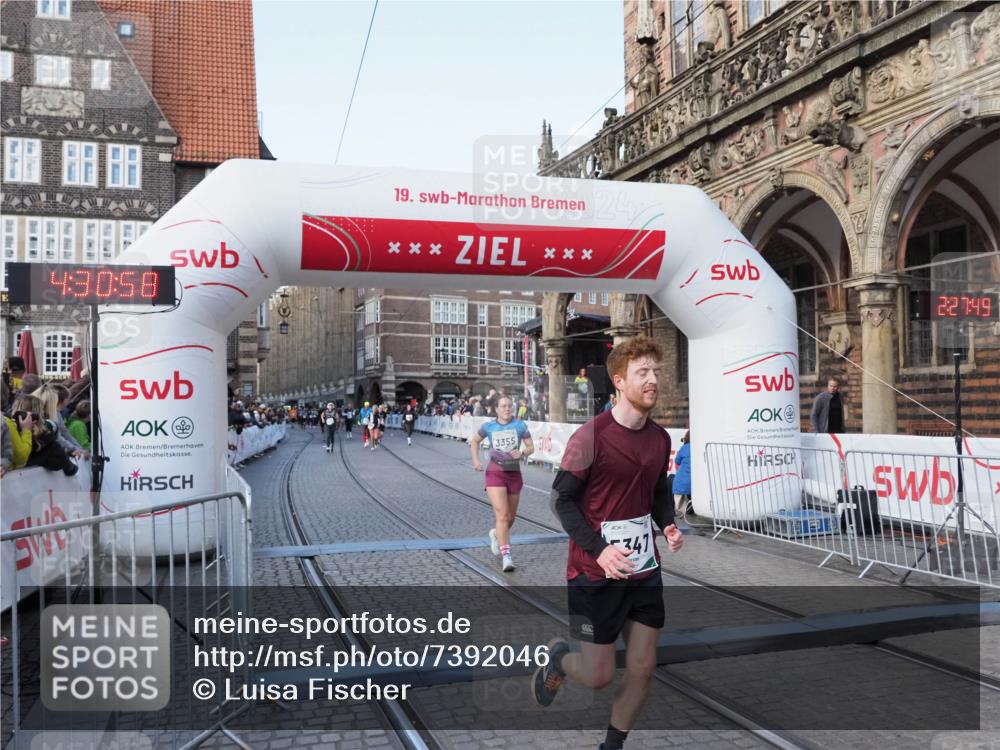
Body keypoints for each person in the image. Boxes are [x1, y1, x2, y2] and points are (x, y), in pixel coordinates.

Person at [531, 336, 683, 750]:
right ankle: (559, 658)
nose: (653, 380)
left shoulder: (660, 439)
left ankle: (611, 746)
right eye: (643, 373)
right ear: (619, 380)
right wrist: (600, 549)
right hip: (592, 574)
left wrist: (667, 524)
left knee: (643, 668)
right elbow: (561, 500)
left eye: (656, 372)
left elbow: (656, 491)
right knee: (598, 675)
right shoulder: (590, 437)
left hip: (643, 572)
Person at [470, 394, 534, 573]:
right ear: (496, 409)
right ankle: (507, 556)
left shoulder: (520, 425)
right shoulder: (489, 426)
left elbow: (531, 447)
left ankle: (496, 535)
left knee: (510, 518)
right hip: (495, 473)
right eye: (503, 406)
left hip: (514, 473)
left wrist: (522, 453)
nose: (507, 409)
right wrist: (475, 460)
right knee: (502, 514)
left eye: (509, 406)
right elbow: (474, 441)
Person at [672, 430, 691, 515]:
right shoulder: (701, 447)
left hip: (680, 485)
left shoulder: (685, 447)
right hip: (696, 487)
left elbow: (677, 461)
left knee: (681, 512)